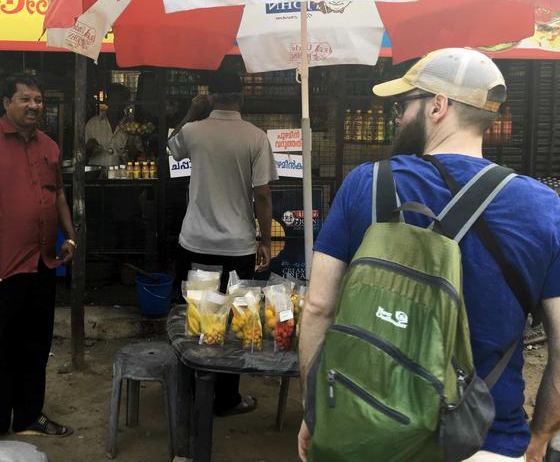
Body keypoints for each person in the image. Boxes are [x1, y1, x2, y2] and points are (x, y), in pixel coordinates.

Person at [296, 49, 560, 462]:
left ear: (438, 106)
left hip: (368, 431)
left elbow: (317, 308)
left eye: (403, 105)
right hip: (484, 439)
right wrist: (541, 434)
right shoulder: (544, 208)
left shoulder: (366, 183)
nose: (397, 118)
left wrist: (317, 411)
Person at [0, 73, 76, 446]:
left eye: (38, 100)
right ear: (5, 102)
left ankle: (28, 414)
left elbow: (57, 195)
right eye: (26, 99)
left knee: (35, 343)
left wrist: (69, 235)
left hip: (41, 263)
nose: (35, 106)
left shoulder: (49, 146)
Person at [168, 69, 278, 416]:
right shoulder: (255, 137)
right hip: (238, 246)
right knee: (235, 321)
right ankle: (226, 398)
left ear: (211, 96)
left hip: (195, 241)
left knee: (198, 316)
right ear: (242, 96)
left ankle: (190, 393)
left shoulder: (193, 131)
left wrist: (192, 110)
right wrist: (263, 237)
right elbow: (261, 194)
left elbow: (171, 147)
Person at [85, 83, 132, 167]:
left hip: (122, 176)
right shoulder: (92, 124)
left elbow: (137, 157)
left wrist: (132, 151)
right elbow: (80, 157)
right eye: (114, 101)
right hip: (96, 177)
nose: (117, 106)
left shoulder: (132, 127)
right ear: (107, 101)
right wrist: (88, 148)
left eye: (120, 102)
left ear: (126, 104)